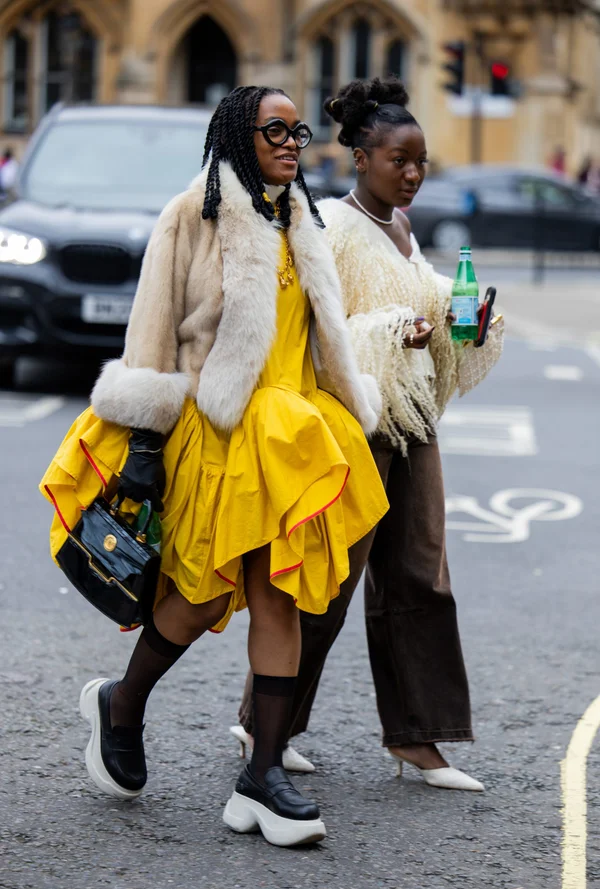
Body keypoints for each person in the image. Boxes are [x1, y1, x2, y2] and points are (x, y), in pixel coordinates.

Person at [40, 85, 389, 848]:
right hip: (220, 432)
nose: (293, 141)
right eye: (275, 129)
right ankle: (122, 705)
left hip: (293, 434)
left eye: (299, 130)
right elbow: (150, 341)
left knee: (279, 597)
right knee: (199, 602)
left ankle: (261, 777)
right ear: (237, 133)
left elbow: (319, 340)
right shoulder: (190, 215)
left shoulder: (305, 218)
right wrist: (139, 447)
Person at [233, 77, 504, 791]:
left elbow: (419, 299)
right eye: (398, 161)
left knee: (420, 573)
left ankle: (418, 739)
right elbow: (323, 337)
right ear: (360, 157)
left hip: (410, 421)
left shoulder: (401, 227)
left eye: (420, 162)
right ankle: (267, 724)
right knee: (326, 584)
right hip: (353, 426)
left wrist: (456, 319)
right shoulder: (336, 228)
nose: (413, 175)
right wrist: (393, 331)